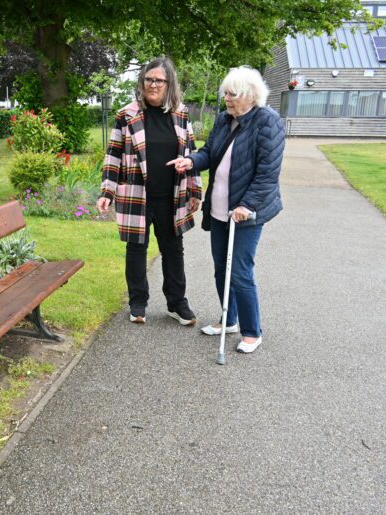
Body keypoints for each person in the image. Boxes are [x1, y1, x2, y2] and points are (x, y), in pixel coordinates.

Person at [169, 65, 285, 354]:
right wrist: (191, 162)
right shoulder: (224, 120)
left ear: (250, 95)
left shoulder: (268, 122)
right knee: (221, 267)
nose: (227, 99)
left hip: (246, 211)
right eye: (226, 94)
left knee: (240, 270)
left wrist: (247, 205)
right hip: (220, 208)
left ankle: (251, 331)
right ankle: (228, 319)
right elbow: (210, 152)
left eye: (232, 94)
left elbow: (267, 174)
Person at [97, 57, 202, 325]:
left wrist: (194, 191)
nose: (153, 85)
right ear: (142, 82)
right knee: (136, 250)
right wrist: (107, 192)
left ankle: (177, 304)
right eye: (148, 79)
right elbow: (113, 156)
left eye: (159, 80)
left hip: (172, 197)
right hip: (136, 195)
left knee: (173, 250)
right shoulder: (127, 114)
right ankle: (138, 303)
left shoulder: (181, 114)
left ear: (169, 84)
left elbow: (191, 154)